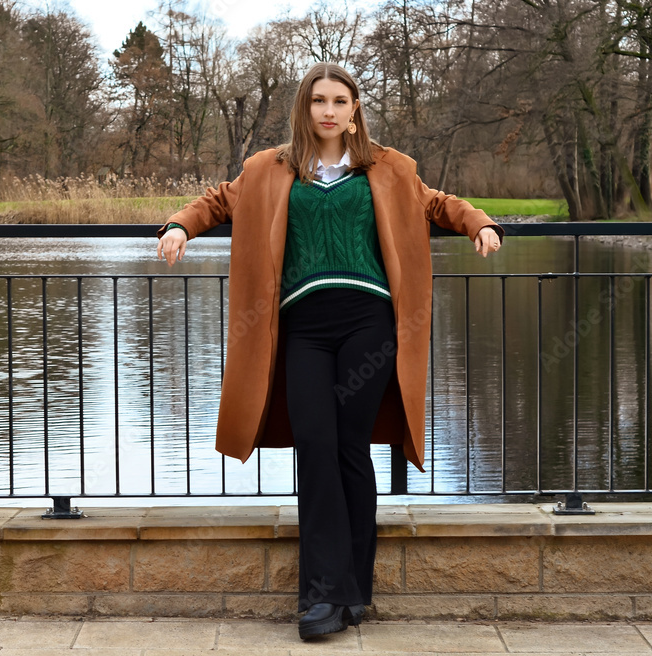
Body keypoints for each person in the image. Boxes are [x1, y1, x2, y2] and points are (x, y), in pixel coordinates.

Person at [155, 62, 503, 640]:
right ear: (305, 107)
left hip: (368, 321)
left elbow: (438, 203)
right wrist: (178, 226)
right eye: (318, 100)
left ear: (355, 108)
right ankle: (325, 594)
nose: (328, 110)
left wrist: (480, 225)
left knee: (347, 447)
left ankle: (348, 592)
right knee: (314, 446)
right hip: (304, 328)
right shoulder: (270, 168)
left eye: (340, 100)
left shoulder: (388, 168)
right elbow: (217, 201)